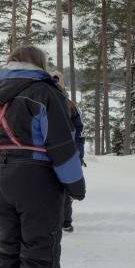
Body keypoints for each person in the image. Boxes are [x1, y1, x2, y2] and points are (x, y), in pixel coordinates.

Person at [0, 45, 86, 268]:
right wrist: (75, 185)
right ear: (40, 64)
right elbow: (62, 146)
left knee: (9, 245)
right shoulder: (45, 93)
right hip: (36, 177)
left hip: (0, 175)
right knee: (39, 249)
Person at [50, 71, 86, 233]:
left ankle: (65, 221)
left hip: (67, 152)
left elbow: (79, 131)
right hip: (46, 154)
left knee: (65, 188)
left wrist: (78, 154)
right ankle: (52, 221)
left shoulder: (69, 105)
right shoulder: (42, 100)